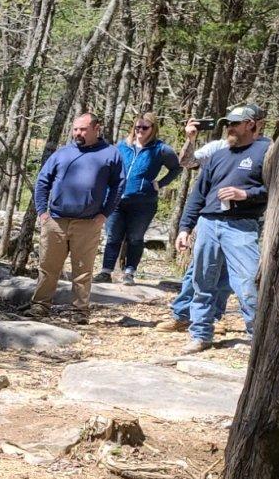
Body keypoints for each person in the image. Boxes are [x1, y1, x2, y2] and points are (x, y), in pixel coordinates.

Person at [158, 104, 266, 332]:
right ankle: (196, 329)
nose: (229, 128)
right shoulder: (219, 151)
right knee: (201, 278)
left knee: (246, 282)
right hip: (208, 222)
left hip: (242, 225)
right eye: (227, 124)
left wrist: (246, 194)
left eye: (234, 124)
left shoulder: (267, 151)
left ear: (252, 124)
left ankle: (255, 335)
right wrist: (185, 228)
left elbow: (275, 189)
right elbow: (195, 185)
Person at [27, 112, 123, 320]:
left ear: (96, 129)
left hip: (88, 222)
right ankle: (40, 306)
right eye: (75, 129)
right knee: (48, 267)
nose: (78, 133)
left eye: (83, 129)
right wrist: (42, 212)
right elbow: (42, 181)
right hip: (56, 220)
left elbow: (118, 186)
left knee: (82, 270)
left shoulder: (110, 154)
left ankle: (79, 310)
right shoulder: (62, 153)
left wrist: (104, 214)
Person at [98, 113, 179, 284]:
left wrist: (160, 183)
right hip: (117, 200)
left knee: (135, 237)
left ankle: (129, 272)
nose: (140, 130)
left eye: (144, 127)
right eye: (137, 127)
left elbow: (176, 168)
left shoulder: (160, 149)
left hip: (143, 203)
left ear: (153, 129)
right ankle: (105, 272)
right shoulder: (122, 146)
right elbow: (110, 167)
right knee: (113, 236)